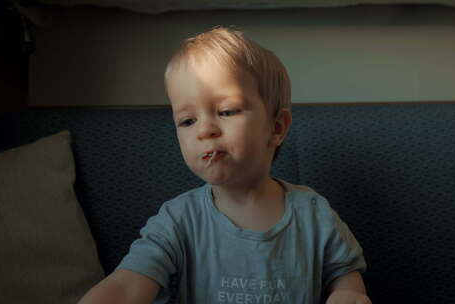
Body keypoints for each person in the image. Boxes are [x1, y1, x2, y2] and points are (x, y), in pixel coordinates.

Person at [78, 27, 371, 304]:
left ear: (277, 127)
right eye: (187, 121)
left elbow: (346, 276)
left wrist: (349, 293)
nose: (204, 130)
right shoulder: (178, 220)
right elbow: (128, 285)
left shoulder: (314, 214)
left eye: (226, 111)